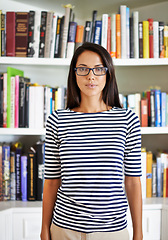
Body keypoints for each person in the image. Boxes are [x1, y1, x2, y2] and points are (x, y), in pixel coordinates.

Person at [40, 42, 143, 240]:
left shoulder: (127, 119)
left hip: (112, 230)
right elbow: (52, 181)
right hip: (64, 228)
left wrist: (138, 233)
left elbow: (132, 181)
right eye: (83, 69)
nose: (91, 76)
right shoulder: (57, 119)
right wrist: (45, 228)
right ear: (74, 73)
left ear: (108, 73)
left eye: (98, 69)